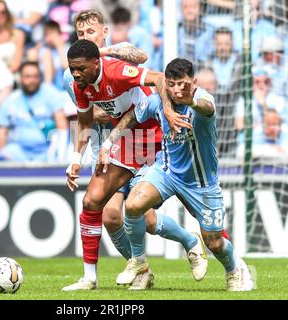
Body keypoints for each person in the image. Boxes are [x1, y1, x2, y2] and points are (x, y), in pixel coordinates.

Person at [100, 58, 255, 291]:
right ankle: (138, 263)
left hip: (201, 182)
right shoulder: (159, 102)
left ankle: (235, 269)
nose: (176, 90)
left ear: (193, 81)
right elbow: (132, 116)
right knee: (133, 205)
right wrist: (108, 144)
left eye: (182, 84)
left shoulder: (202, 100)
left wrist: (191, 100)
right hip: (167, 171)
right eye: (171, 84)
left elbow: (208, 108)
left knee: (214, 241)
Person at [62, 40, 203, 292]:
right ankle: (91, 278)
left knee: (159, 214)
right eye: (72, 68)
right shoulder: (81, 85)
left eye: (80, 68)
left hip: (157, 134)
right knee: (93, 202)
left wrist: (168, 112)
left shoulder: (117, 71)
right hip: (128, 138)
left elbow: (159, 78)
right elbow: (84, 122)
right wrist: (76, 159)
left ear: (97, 63)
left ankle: (205, 249)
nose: (75, 73)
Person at [0, 61, 68, 162]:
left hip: (46, 151)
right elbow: (2, 131)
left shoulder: (51, 94)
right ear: (21, 78)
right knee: (4, 155)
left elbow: (62, 126)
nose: (32, 80)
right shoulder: (11, 99)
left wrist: (60, 153)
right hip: (19, 151)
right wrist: (1, 153)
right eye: (28, 76)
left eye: (35, 76)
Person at [0, 0, 25, 74]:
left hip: (11, 75)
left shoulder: (18, 34)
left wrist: (3, 76)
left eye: (2, 12)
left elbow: (17, 64)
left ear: (7, 14)